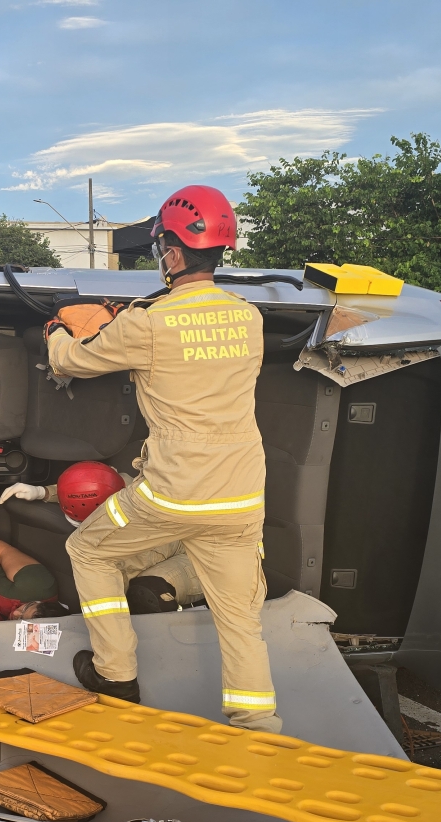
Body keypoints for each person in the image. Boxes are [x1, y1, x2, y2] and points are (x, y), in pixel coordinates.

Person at [43, 185, 280, 732]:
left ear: (171, 253)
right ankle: (257, 721)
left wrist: (57, 329)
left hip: (172, 492)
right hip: (242, 495)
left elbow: (76, 361)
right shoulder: (249, 318)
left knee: (89, 551)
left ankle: (116, 675)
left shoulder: (147, 322)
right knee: (239, 614)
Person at [0, 461, 205, 614]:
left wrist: (43, 492)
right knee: (147, 594)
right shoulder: (98, 547)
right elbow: (88, 489)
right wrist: (42, 492)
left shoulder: (127, 485)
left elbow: (93, 485)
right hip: (184, 557)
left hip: (203, 540)